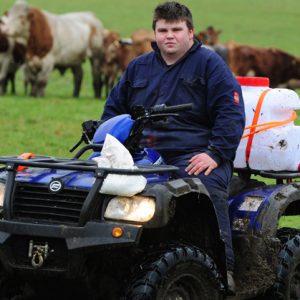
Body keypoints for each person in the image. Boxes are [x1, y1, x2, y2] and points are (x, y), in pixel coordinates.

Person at [101, 1, 245, 294]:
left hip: (195, 154)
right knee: (97, 191)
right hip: (143, 154)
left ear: (190, 32)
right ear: (154, 32)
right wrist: (106, 143)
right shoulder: (138, 67)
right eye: (163, 29)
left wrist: (215, 154)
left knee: (207, 193)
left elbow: (231, 115)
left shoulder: (210, 65)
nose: (169, 35)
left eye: (176, 29)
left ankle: (223, 270)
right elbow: (113, 112)